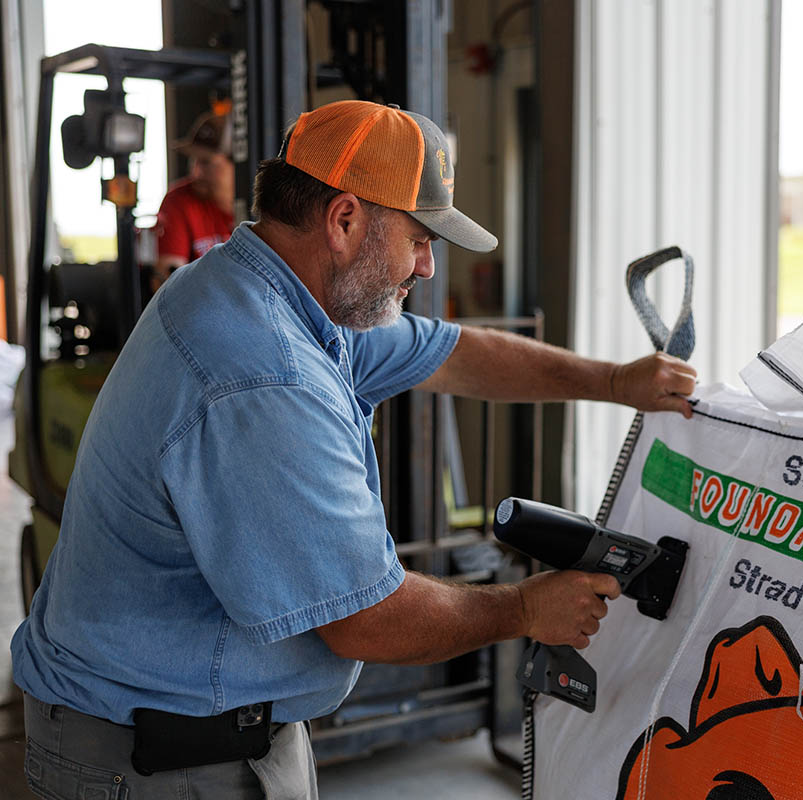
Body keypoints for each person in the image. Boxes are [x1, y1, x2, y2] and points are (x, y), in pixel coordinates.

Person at [11, 99, 696, 799]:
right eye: (419, 239)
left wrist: (615, 382)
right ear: (343, 221)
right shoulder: (265, 373)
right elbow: (367, 618)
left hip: (202, 726)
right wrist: (524, 609)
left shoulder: (268, 290)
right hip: (160, 758)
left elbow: (451, 352)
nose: (427, 267)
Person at [151, 110, 235, 289]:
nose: (195, 172)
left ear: (236, 165)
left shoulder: (265, 206)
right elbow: (167, 286)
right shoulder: (179, 201)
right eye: (194, 161)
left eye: (205, 162)